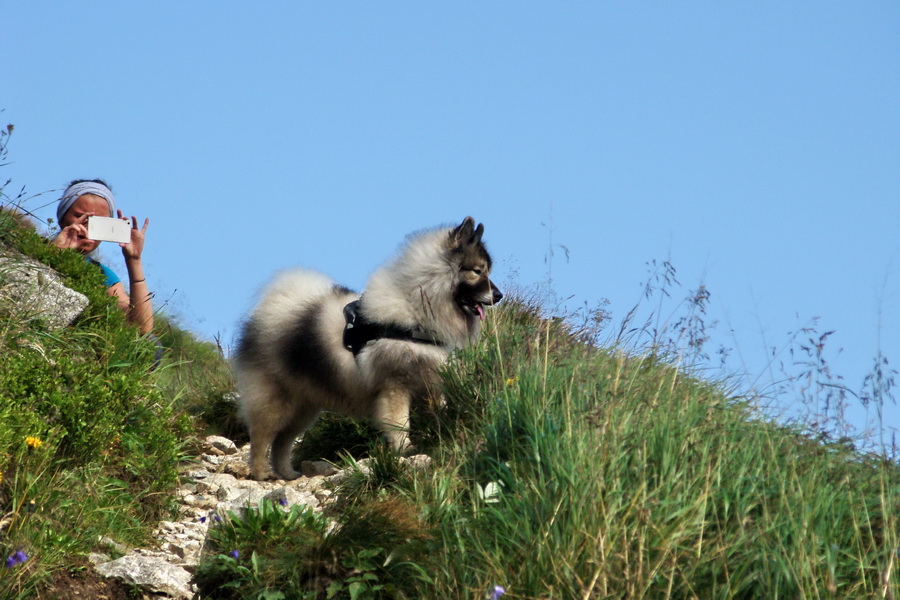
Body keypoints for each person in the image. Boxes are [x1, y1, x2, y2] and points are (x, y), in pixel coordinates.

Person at [52, 179, 154, 335]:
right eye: (80, 216)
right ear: (62, 218)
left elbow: (142, 328)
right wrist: (55, 252)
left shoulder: (102, 275)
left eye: (98, 222)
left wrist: (134, 261)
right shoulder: (30, 248)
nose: (87, 227)